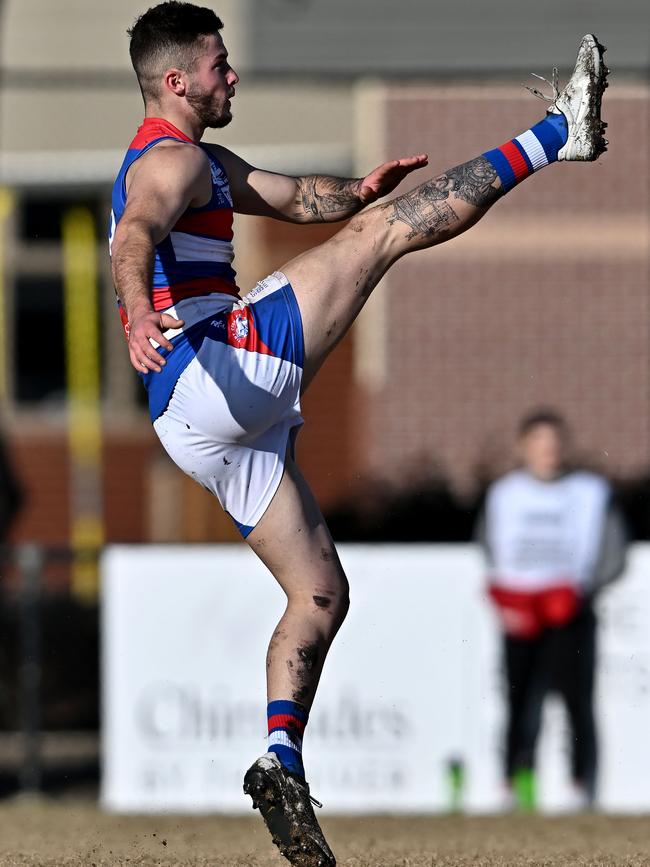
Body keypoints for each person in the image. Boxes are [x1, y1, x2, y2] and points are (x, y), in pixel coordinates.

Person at [109, 3, 608, 862]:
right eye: (219, 64)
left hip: (196, 424)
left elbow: (301, 199)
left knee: (320, 595)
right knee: (381, 241)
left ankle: (280, 760)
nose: (233, 74)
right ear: (178, 80)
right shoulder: (168, 157)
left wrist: (357, 193)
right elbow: (133, 236)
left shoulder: (207, 162)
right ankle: (559, 131)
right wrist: (131, 312)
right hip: (208, 366)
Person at [477, 410, 627, 811]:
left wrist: (582, 590)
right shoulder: (505, 494)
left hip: (570, 613)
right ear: (524, 447)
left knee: (577, 701)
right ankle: (513, 783)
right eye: (540, 443)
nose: (549, 451)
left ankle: (581, 786)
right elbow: (491, 548)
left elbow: (613, 551)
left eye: (555, 443)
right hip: (521, 613)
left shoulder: (590, 492)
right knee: (519, 701)